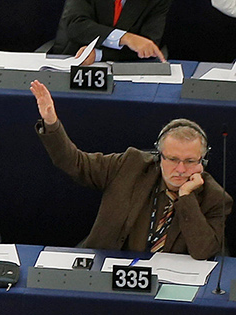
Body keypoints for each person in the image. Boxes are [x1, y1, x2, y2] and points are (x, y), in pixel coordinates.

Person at [30, 83, 229, 259]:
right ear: (159, 155)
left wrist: (186, 197)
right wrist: (51, 123)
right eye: (173, 159)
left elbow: (204, 251)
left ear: (203, 161)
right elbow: (75, 162)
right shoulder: (129, 165)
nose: (181, 169)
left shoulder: (215, 198)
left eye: (190, 161)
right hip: (110, 270)